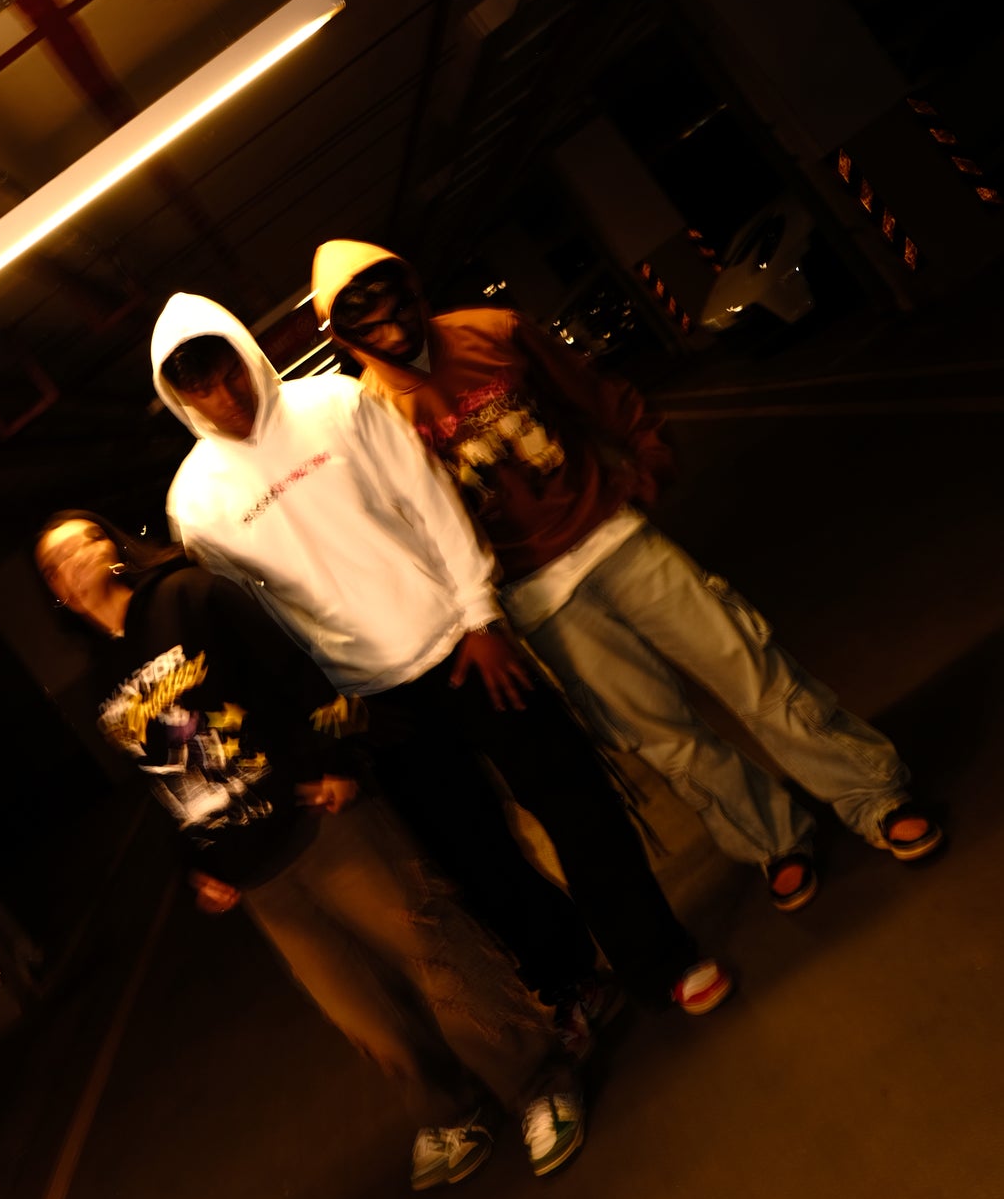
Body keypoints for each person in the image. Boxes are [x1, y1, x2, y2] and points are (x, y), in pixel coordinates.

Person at [150, 293, 730, 1022]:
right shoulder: (196, 502)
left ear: (246, 353)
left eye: (230, 370)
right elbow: (259, 628)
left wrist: (481, 618)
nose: (227, 395)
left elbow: (430, 501)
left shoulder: (335, 405)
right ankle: (571, 978)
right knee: (475, 855)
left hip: (464, 646)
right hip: (372, 705)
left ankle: (660, 959)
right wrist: (330, 725)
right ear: (178, 397)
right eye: (201, 386)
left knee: (577, 802)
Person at [310, 239, 942, 907]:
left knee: (752, 672)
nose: (394, 333)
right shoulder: (369, 415)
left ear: (414, 291)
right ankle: (770, 840)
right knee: (663, 736)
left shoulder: (493, 332)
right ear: (346, 337)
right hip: (534, 597)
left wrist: (648, 453)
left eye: (398, 310)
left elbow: (592, 394)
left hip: (612, 534)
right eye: (370, 327)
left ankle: (874, 796)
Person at [33, 511, 586, 1188]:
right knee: (358, 1006)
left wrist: (336, 760)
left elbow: (294, 674)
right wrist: (197, 865)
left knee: (431, 947)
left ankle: (539, 1082)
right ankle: (452, 1109)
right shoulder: (101, 681)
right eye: (56, 563)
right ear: (56, 592)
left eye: (86, 541)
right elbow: (158, 780)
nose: (76, 560)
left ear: (113, 548)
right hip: (254, 873)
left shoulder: (190, 597)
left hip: (317, 818)